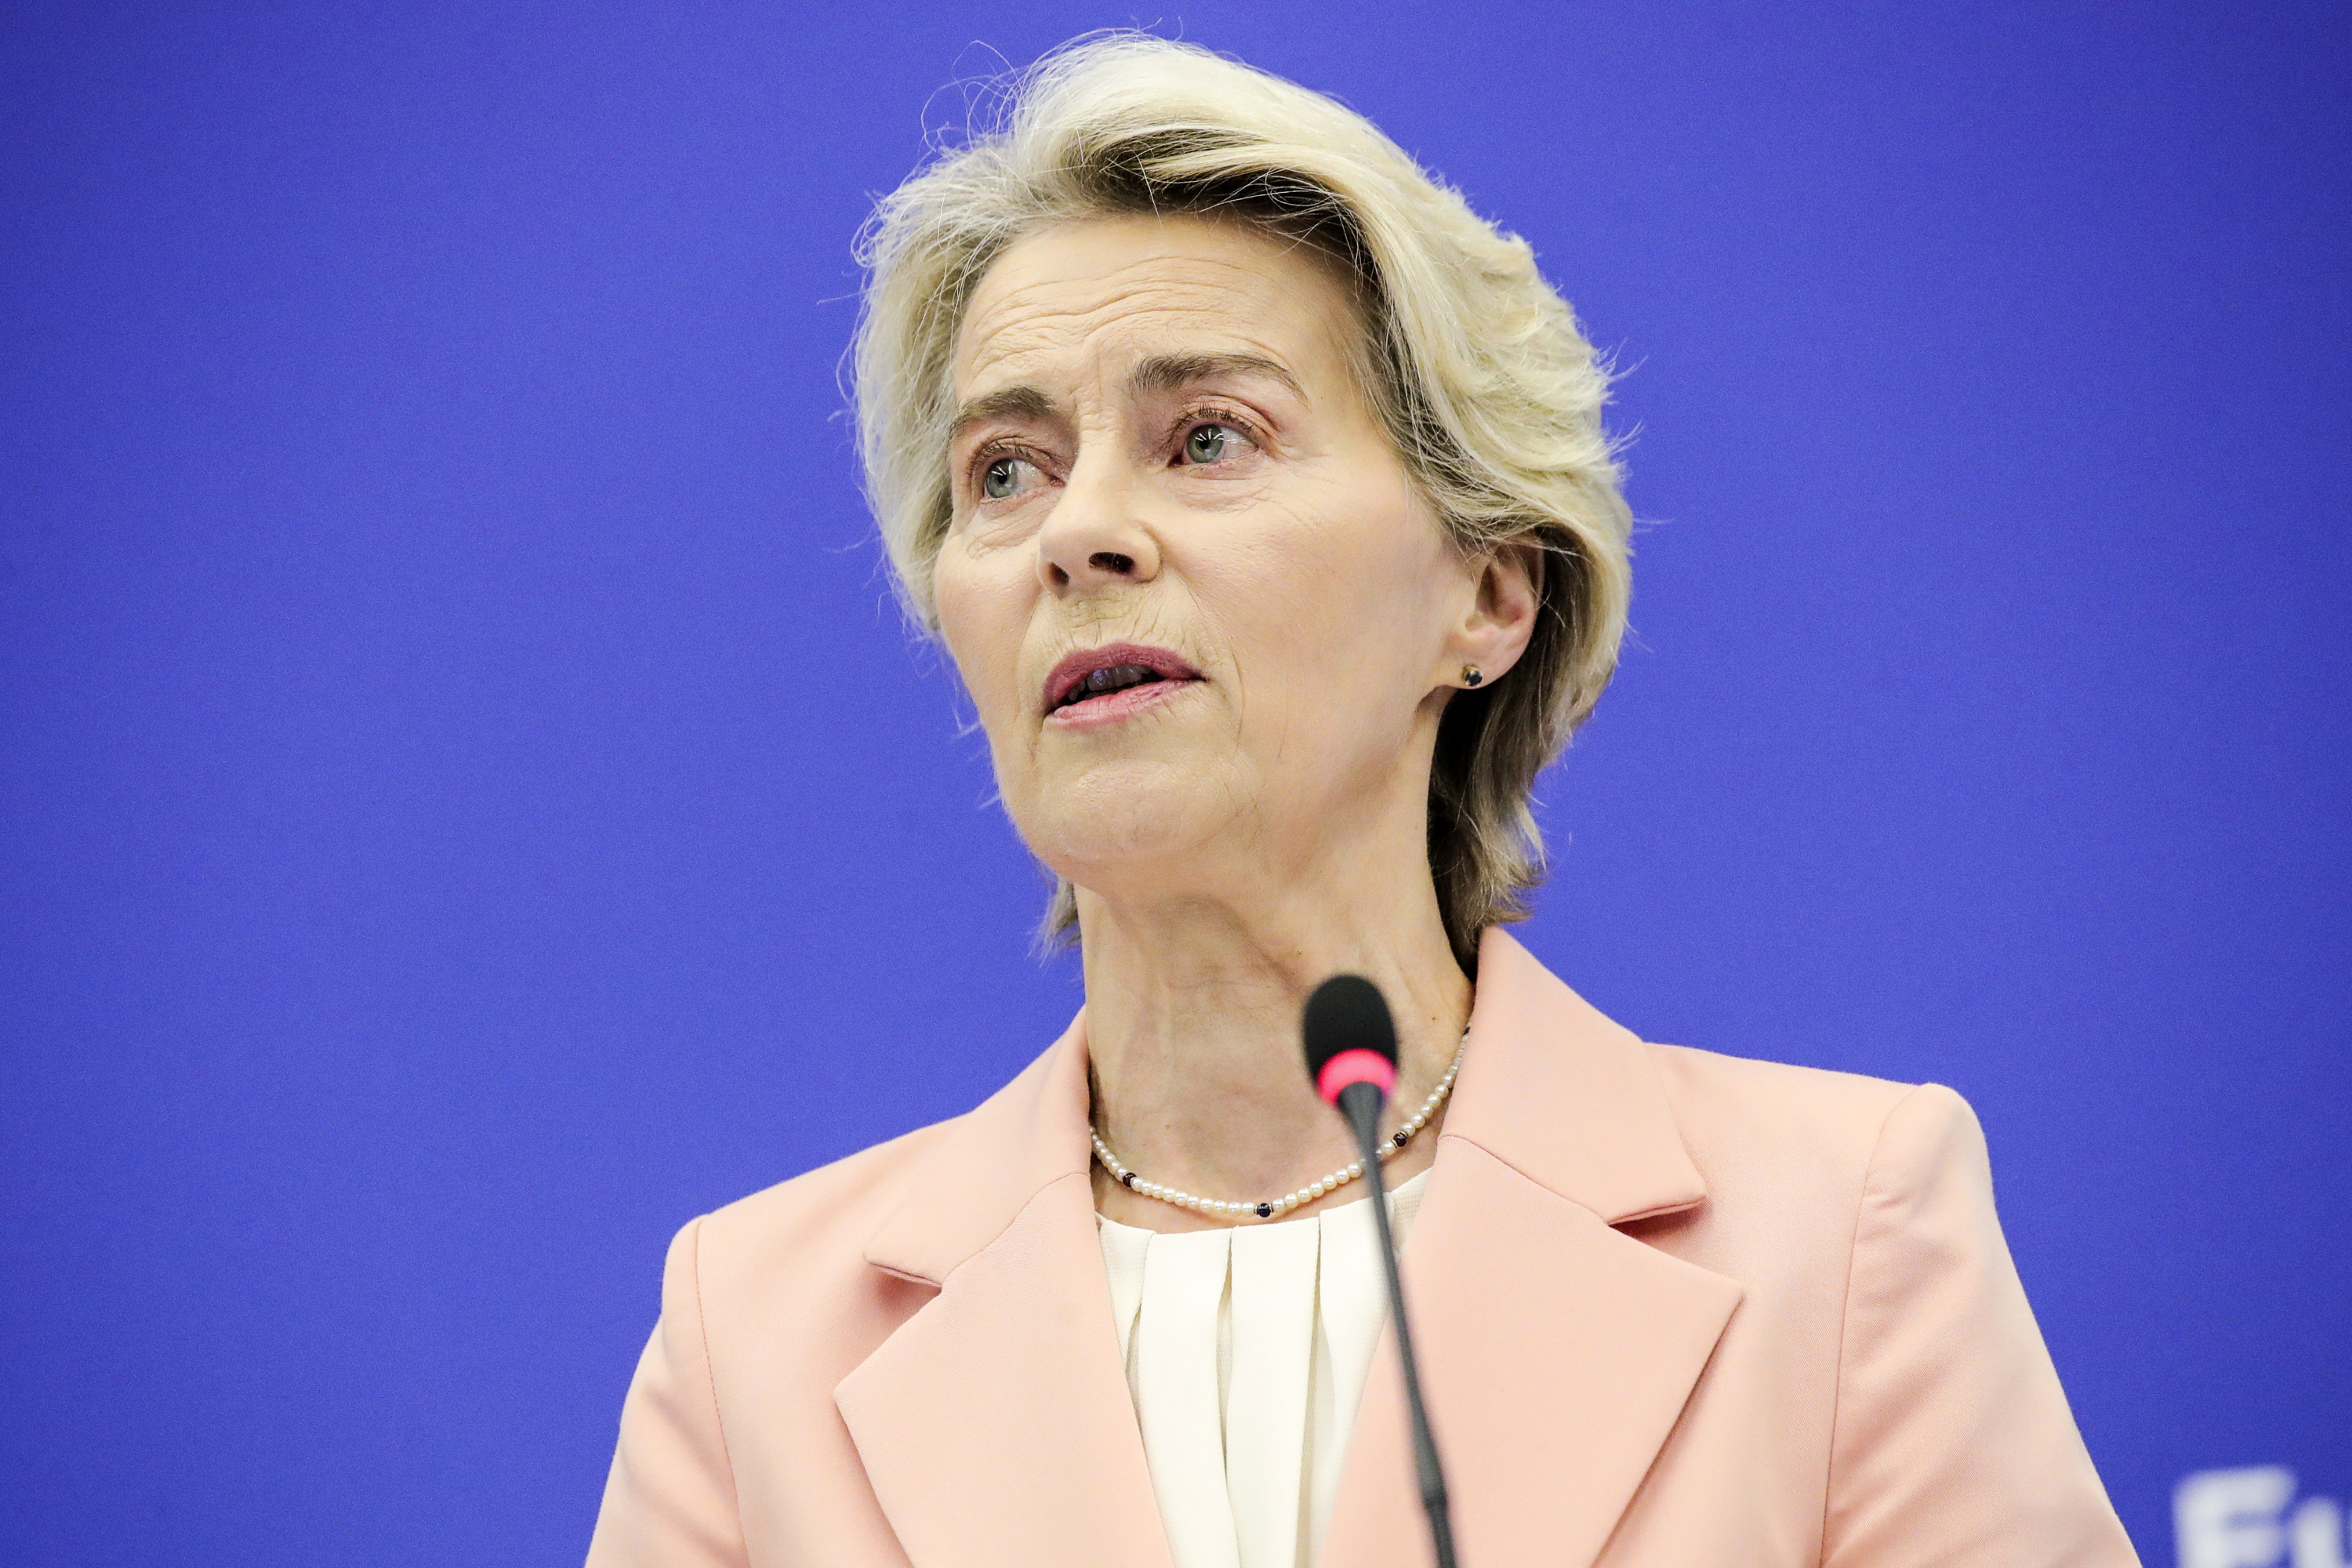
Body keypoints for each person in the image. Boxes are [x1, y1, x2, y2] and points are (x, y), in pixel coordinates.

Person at [586, 34, 2138, 1568]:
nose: (1079, 533)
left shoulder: (1841, 1233)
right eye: (1006, 470)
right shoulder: (757, 1339)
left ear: (1486, 590)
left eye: (1209, 437)